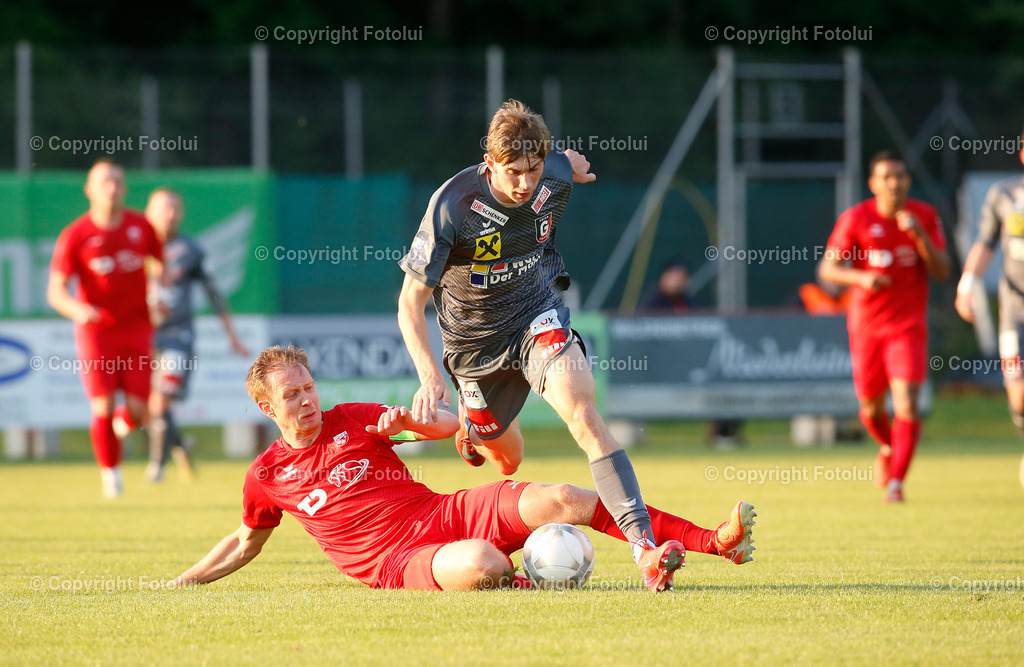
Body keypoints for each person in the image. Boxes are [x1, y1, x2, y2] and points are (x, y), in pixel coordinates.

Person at [167, 346, 756, 591]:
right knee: (482, 564)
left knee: (562, 496)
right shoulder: (266, 475)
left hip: (443, 510)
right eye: (292, 394)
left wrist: (412, 421)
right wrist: (184, 582)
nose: (307, 399)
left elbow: (451, 428)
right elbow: (246, 541)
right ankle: (535, 582)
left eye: (309, 386)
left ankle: (712, 543)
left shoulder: (353, 417)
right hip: (396, 562)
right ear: (266, 407)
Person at [397, 99, 686, 591]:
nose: (525, 183)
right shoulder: (452, 206)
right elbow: (410, 302)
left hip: (535, 315)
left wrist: (575, 169)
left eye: (533, 169)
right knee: (507, 460)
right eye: (512, 171)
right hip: (473, 347)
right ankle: (472, 429)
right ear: (489, 163)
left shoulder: (553, 172)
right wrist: (430, 374)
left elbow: (568, 165)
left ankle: (644, 550)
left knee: (583, 413)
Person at [818, 151, 950, 502]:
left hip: (907, 326)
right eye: (887, 177)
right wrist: (860, 277)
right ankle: (888, 447)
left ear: (908, 181)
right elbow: (828, 271)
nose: (895, 183)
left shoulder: (924, 216)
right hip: (866, 327)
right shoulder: (856, 218)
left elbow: (942, 271)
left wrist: (920, 235)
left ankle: (896, 485)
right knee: (872, 409)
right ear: (873, 183)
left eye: (901, 176)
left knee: (906, 402)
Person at [113, 187, 251, 482]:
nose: (170, 214)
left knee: (161, 401)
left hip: (178, 335)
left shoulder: (190, 250)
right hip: (142, 335)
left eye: (175, 208)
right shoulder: (132, 247)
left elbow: (214, 294)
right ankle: (181, 444)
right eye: (163, 207)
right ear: (148, 212)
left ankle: (156, 468)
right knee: (145, 407)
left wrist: (233, 336)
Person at [47, 158, 164, 498]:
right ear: (89, 190)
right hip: (97, 330)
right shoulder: (76, 235)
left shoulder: (141, 227)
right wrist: (77, 309)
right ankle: (110, 475)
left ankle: (124, 425)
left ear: (124, 188)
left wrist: (161, 293)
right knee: (102, 405)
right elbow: (55, 291)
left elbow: (161, 267)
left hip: (139, 325)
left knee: (141, 409)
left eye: (116, 181)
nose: (111, 188)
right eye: (103, 182)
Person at [954, 129, 1024, 486]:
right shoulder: (1005, 194)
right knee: (1020, 393)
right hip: (1015, 311)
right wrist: (968, 281)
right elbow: (985, 243)